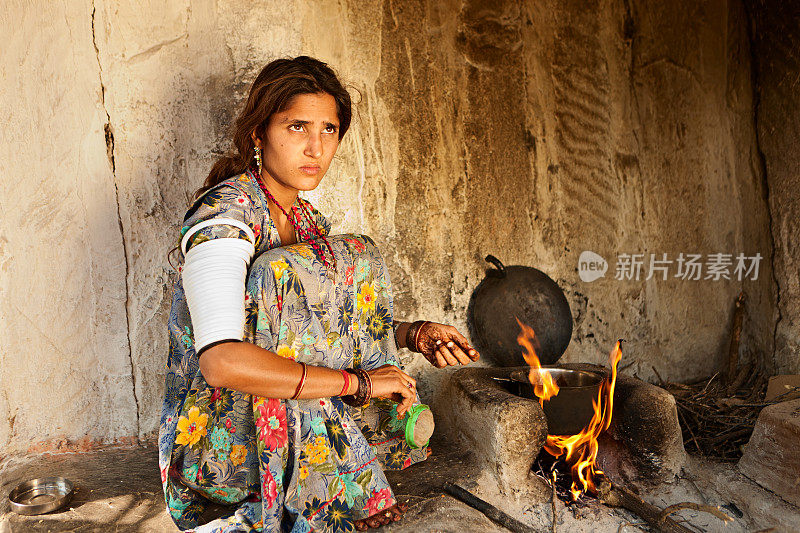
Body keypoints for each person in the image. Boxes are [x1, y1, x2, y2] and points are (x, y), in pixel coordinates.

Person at [158, 56, 479, 533]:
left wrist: (412, 335)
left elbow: (316, 332)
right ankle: (329, 489)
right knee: (298, 326)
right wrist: (360, 384)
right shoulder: (224, 221)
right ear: (258, 134)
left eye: (329, 130)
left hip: (288, 418)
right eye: (297, 127)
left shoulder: (308, 222)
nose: (315, 147)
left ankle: (333, 473)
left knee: (355, 258)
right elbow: (221, 362)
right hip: (219, 439)